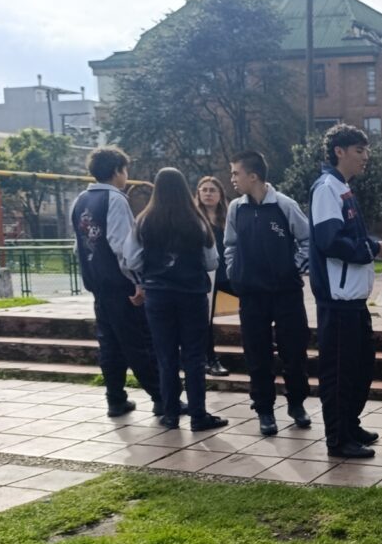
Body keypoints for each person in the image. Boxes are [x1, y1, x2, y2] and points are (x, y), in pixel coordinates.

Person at [309, 124, 382, 460]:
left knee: (360, 367)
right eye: (359, 151)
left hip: (354, 301)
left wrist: (370, 247)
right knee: (339, 372)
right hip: (338, 302)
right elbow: (330, 242)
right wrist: (373, 248)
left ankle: (350, 424)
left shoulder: (341, 188)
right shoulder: (326, 189)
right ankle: (338, 438)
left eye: (366, 151)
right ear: (339, 152)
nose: (366, 157)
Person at [125, 169, 226, 432]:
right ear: (184, 189)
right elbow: (212, 261)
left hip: (158, 295)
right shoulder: (197, 220)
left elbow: (131, 260)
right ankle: (198, 415)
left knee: (165, 356)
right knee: (194, 356)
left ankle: (170, 414)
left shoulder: (144, 220)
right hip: (192, 295)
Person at [221, 150, 313, 435]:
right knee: (256, 355)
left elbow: (307, 241)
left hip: (286, 293)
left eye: (236, 173)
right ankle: (264, 410)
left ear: (254, 176)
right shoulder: (236, 208)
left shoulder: (284, 205)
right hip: (251, 296)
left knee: (294, 353)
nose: (232, 179)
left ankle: (296, 404)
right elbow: (230, 245)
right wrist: (235, 273)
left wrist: (291, 269)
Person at [69, 146, 157, 417]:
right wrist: (137, 281)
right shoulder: (115, 200)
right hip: (121, 286)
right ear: (117, 170)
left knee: (109, 344)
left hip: (98, 285)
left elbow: (77, 248)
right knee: (139, 343)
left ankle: (115, 399)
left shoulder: (80, 201)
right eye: (125, 170)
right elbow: (122, 246)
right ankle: (164, 398)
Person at [193, 174, 234, 377]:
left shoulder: (228, 217)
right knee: (205, 319)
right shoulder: (192, 217)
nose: (208, 194)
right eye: (204, 190)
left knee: (250, 301)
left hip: (227, 272)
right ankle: (210, 359)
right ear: (198, 193)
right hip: (204, 274)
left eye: (212, 190)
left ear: (220, 194)